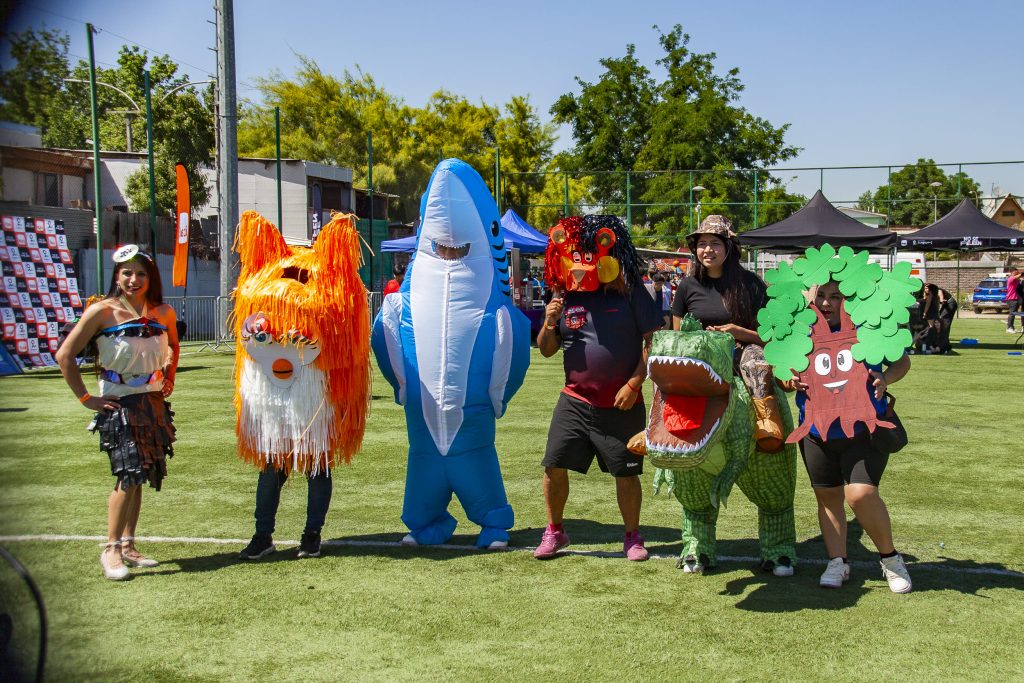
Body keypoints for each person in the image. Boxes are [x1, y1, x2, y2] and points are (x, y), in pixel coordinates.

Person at [534, 215, 662, 561]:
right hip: (574, 400)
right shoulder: (565, 294)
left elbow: (654, 342)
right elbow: (546, 348)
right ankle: (555, 531)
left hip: (621, 404)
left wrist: (635, 383)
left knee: (626, 474)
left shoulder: (631, 291)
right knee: (553, 465)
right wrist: (549, 321)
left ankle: (632, 536)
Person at [55, 245, 179, 581]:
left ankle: (128, 545)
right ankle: (110, 549)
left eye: (141, 273)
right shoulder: (102, 311)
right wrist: (85, 398)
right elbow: (64, 355)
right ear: (116, 276)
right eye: (127, 273)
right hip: (118, 405)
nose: (134, 279)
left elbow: (174, 346)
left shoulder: (163, 312)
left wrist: (168, 376)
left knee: (140, 477)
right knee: (127, 475)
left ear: (151, 277)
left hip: (152, 404)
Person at [796, 279, 912, 593]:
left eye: (836, 296)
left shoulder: (869, 329)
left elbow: (902, 361)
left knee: (860, 493)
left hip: (865, 429)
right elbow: (784, 373)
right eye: (821, 295)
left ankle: (890, 559)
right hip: (816, 430)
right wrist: (790, 382)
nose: (827, 303)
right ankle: (837, 562)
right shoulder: (800, 331)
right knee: (829, 497)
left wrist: (885, 378)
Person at [670, 215, 784, 452]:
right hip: (700, 357)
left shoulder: (751, 284)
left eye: (715, 243)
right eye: (702, 244)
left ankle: (768, 422)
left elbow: (770, 338)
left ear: (728, 247)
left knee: (756, 359)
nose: (707, 250)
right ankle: (659, 430)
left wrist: (738, 332)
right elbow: (677, 336)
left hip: (741, 353)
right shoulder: (686, 286)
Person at [936, 288, 958, 353]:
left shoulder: (938, 290)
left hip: (949, 304)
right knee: (942, 322)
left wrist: (941, 300)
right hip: (946, 304)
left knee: (944, 323)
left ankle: (945, 345)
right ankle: (945, 344)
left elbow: (941, 296)